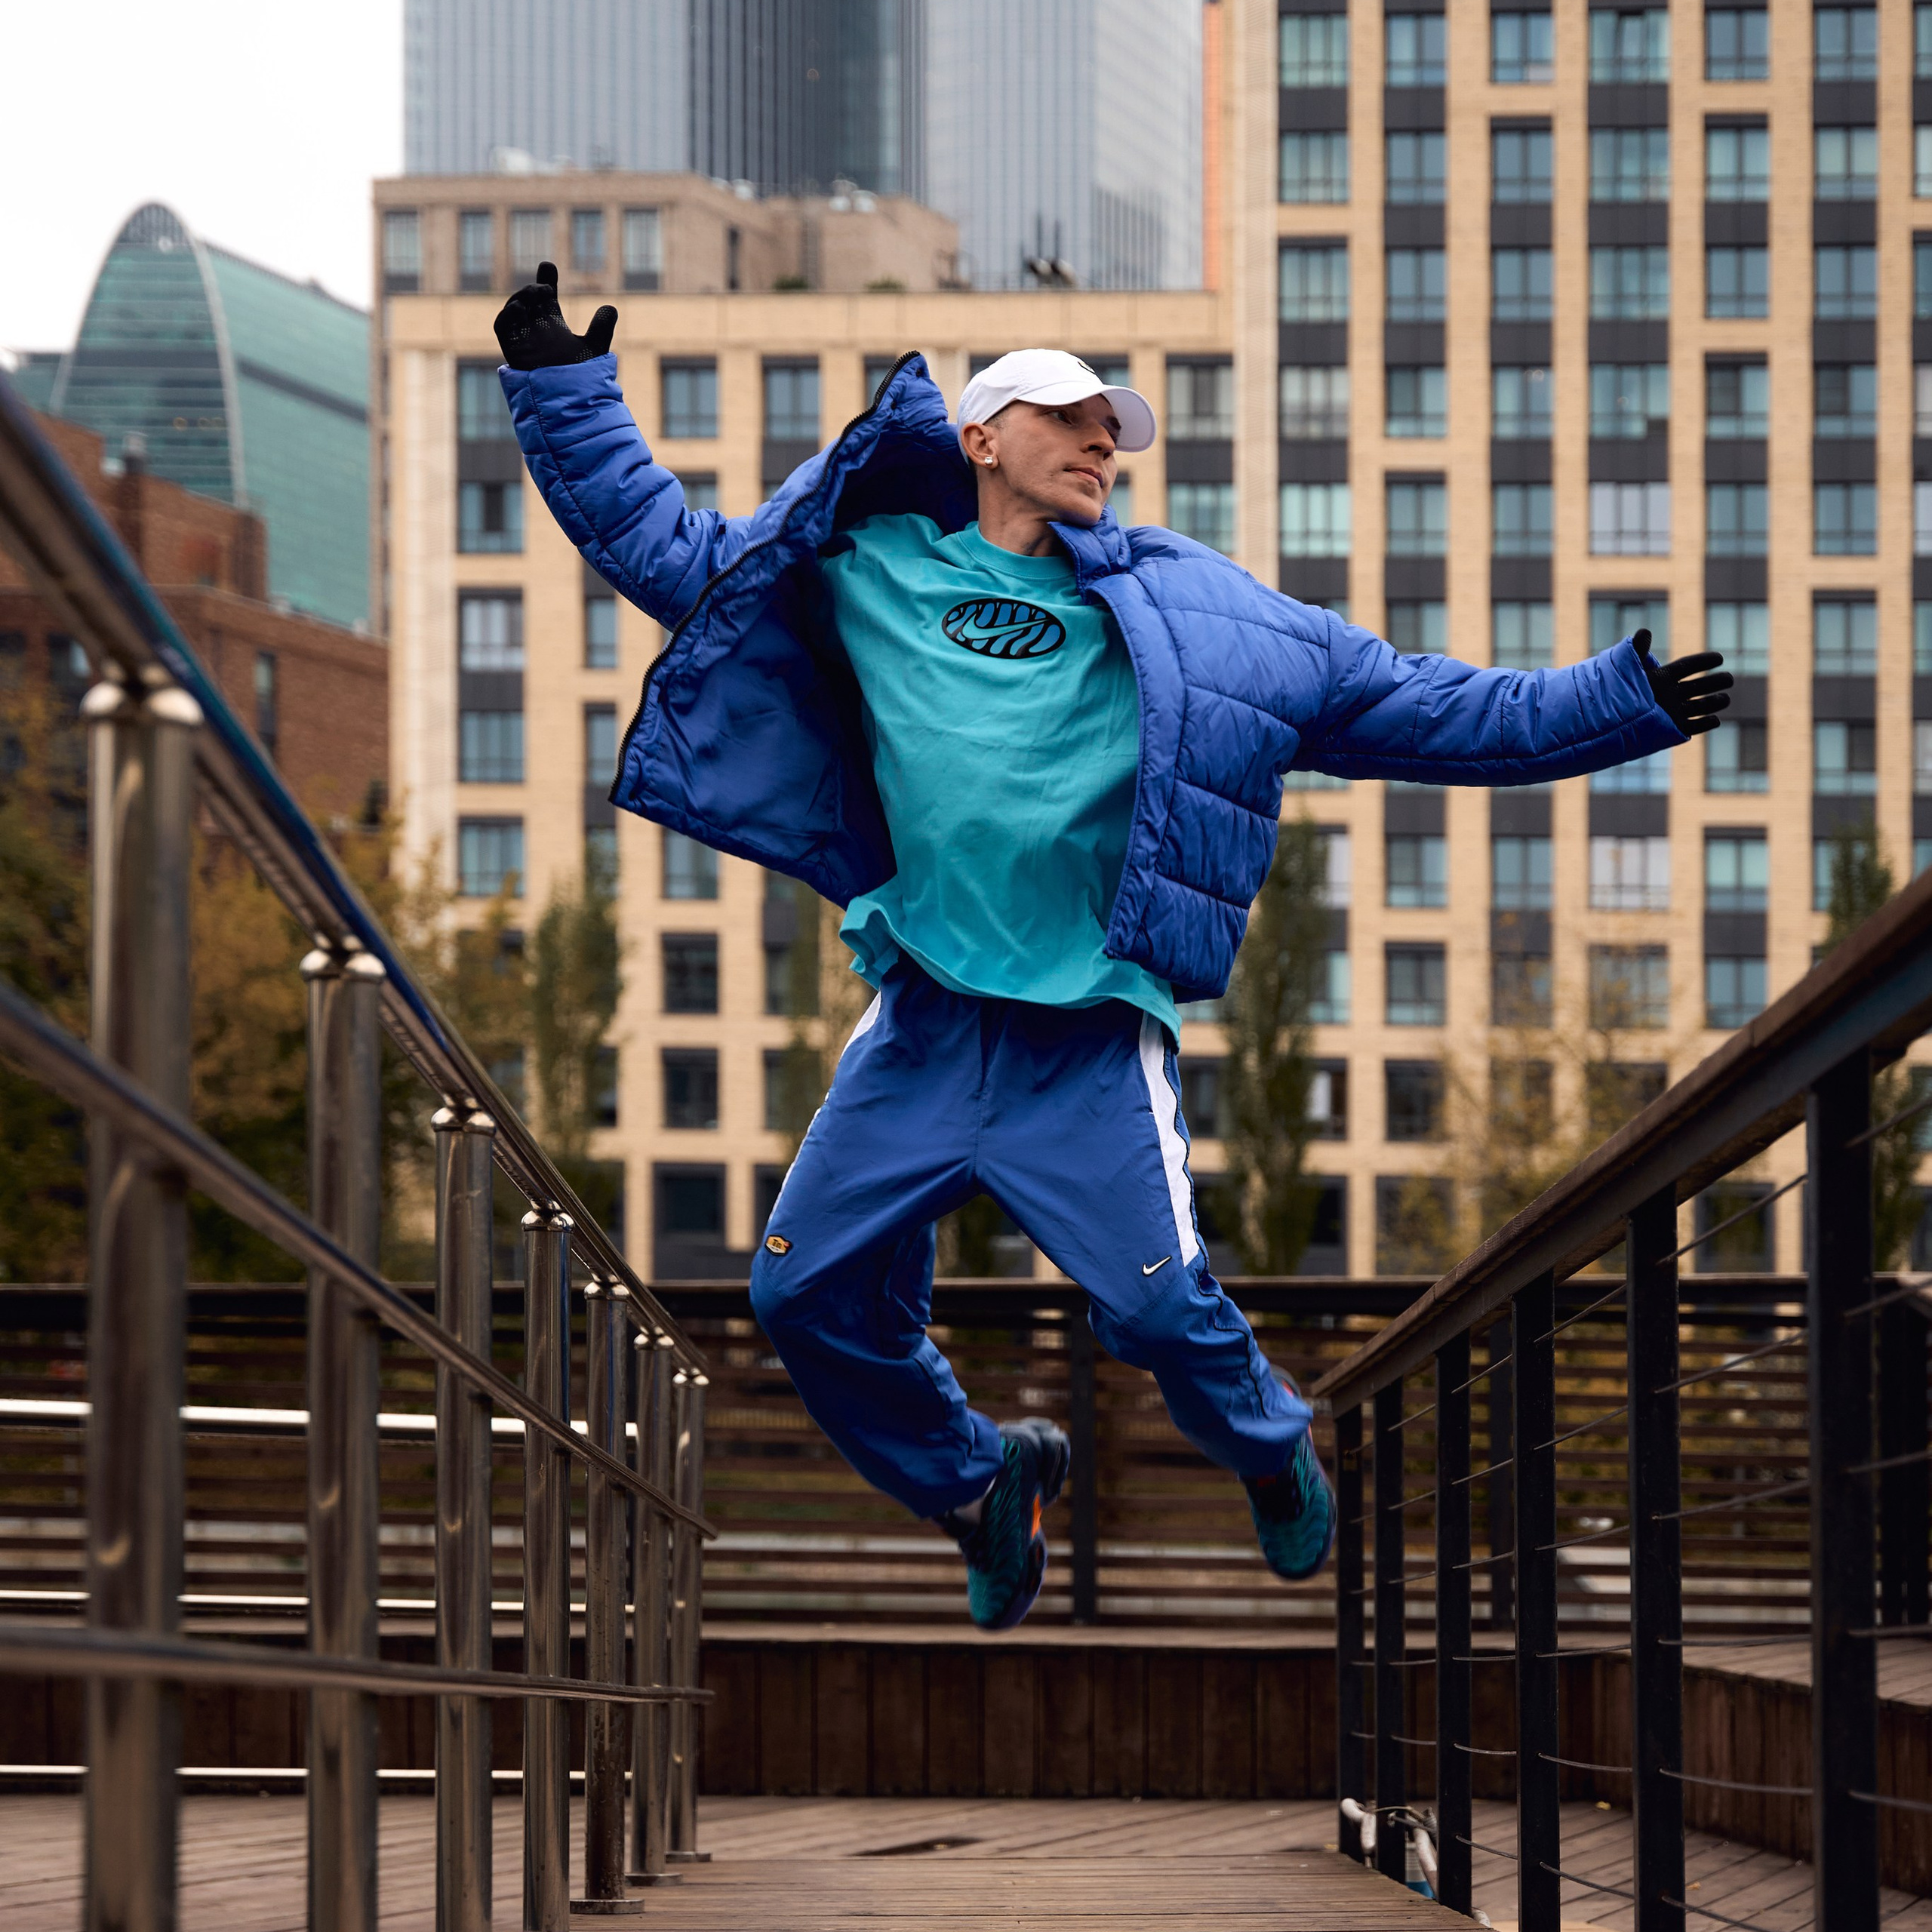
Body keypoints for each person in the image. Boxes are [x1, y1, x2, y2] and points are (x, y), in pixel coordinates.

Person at [494, 266, 1730, 1631]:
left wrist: (1621, 700)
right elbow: (669, 552)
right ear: (980, 437)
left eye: (1113, 430)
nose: (1102, 443)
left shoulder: (1202, 613)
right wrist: (564, 388)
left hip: (1086, 1038)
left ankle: (1270, 1445)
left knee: (1153, 1313)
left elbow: (1424, 703)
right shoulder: (870, 569)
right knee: (800, 1294)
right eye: (1071, 419)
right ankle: (982, 1484)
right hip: (924, 1026)